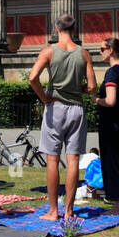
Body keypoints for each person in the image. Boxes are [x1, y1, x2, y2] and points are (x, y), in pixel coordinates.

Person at [28, 13, 96, 221]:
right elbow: (93, 86)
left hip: (55, 108)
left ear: (56, 30)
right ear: (74, 31)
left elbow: (32, 78)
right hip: (76, 109)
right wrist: (79, 90)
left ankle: (52, 211)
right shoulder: (83, 53)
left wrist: (44, 97)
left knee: (52, 159)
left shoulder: (49, 51)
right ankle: (69, 211)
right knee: (73, 159)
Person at [95, 37, 119, 216]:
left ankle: (118, 208)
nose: (100, 52)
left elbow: (110, 101)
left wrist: (96, 99)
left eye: (102, 48)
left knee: (113, 164)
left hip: (112, 125)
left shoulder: (112, 72)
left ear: (111, 50)